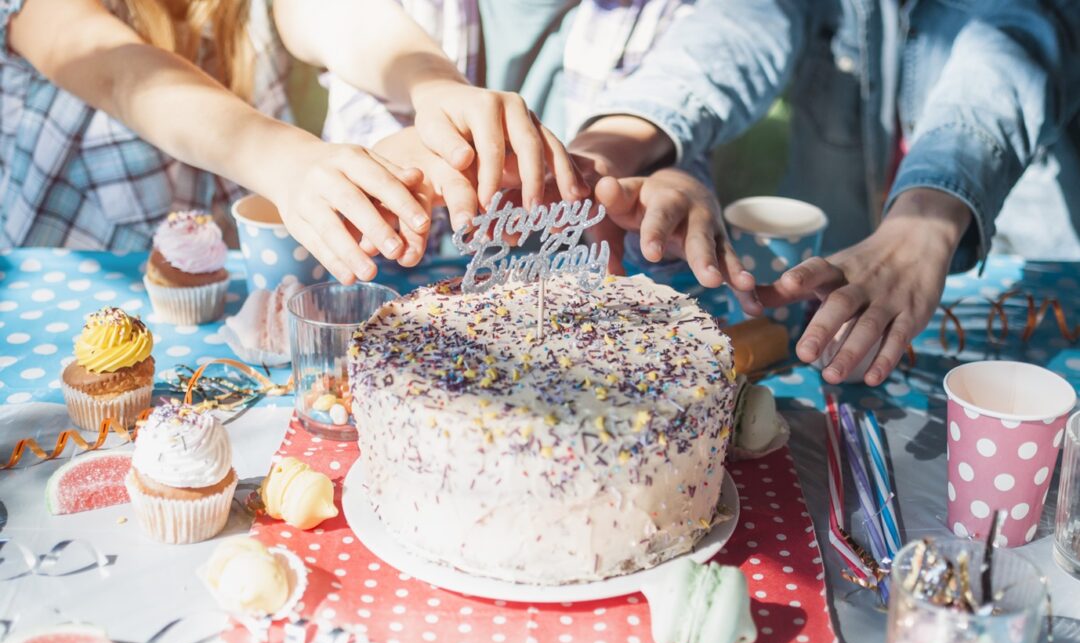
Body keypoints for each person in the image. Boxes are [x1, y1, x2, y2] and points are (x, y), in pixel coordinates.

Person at [580, 0, 1080, 386]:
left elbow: (1022, 37)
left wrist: (926, 221)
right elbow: (743, 25)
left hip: (1021, 299)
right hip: (848, 287)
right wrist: (612, 144)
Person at [0, 0, 583, 284]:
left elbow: (341, 17)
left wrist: (434, 84)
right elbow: (120, 74)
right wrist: (289, 161)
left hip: (232, 321)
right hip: (69, 313)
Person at [315, 0, 762, 307]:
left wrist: (619, 162)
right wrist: (427, 94)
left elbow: (736, 40)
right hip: (384, 305)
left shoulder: (684, 15)